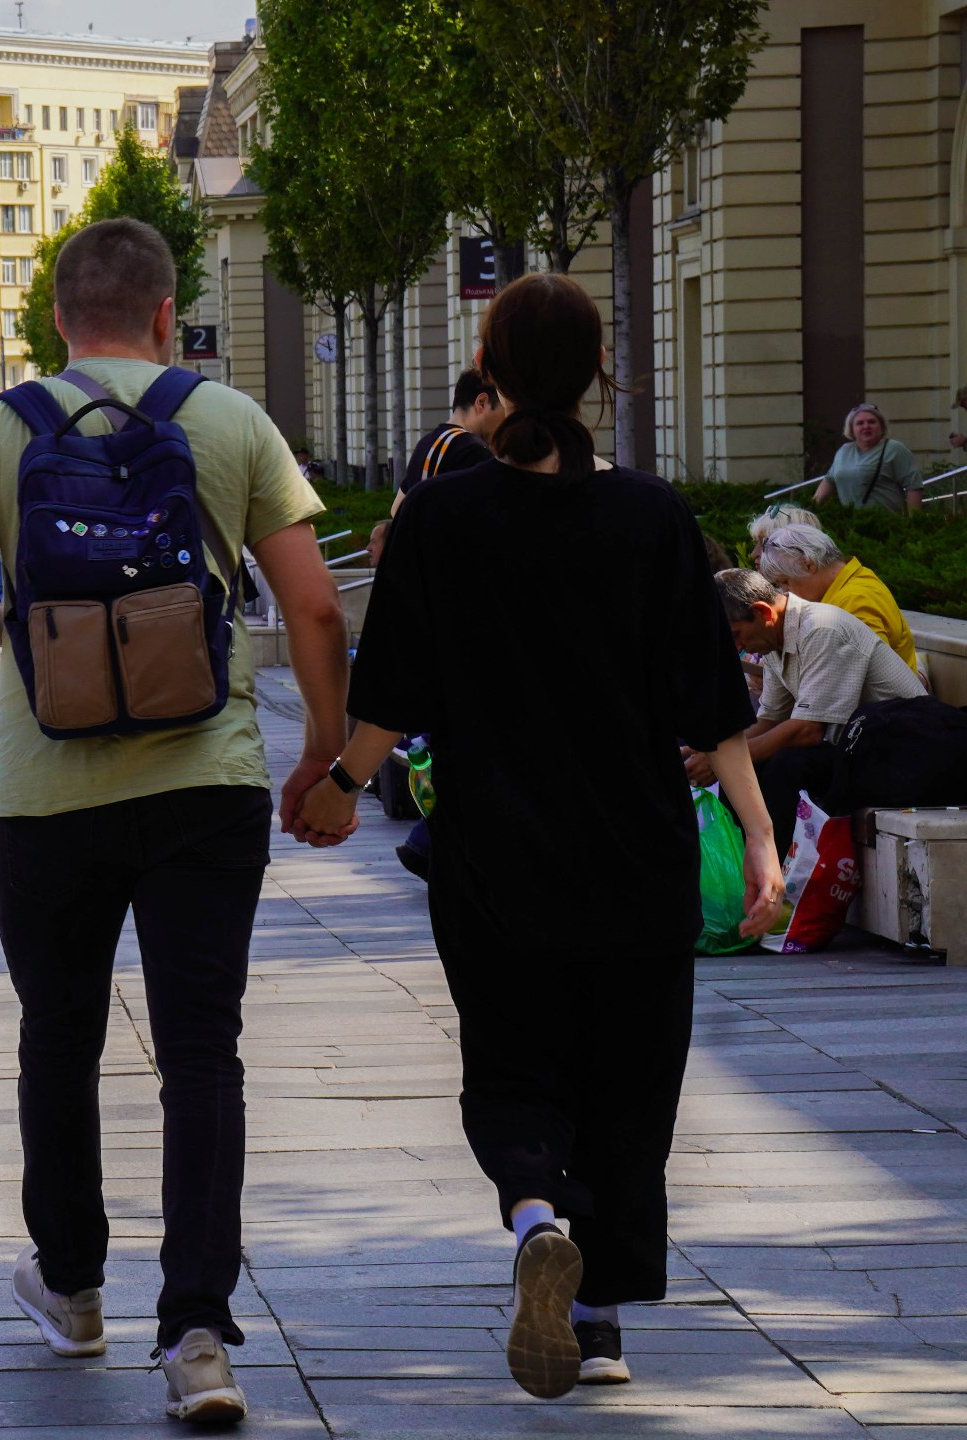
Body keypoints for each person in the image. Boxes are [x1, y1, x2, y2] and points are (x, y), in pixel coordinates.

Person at [300, 272, 786, 1402]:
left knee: (510, 1063)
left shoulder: (441, 519)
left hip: (494, 851)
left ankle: (532, 1220)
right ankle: (601, 1321)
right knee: (627, 1082)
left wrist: (336, 785)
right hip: (635, 853)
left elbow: (396, 686)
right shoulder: (655, 518)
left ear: (491, 372)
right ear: (597, 372)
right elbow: (712, 707)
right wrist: (760, 843)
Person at [0, 218, 354, 1426]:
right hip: (204, 783)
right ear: (168, 316)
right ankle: (198, 1334)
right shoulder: (230, 421)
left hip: (47, 787)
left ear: (59, 318)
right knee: (201, 1052)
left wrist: (31, 641)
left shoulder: (2, 428)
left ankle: (70, 1287)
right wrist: (323, 752)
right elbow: (312, 610)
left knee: (57, 1037)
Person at [694, 568, 925, 853]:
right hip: (857, 748)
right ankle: (749, 868)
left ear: (764, 612)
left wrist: (724, 762)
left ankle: (777, 874)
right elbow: (767, 722)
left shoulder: (821, 628)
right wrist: (712, 752)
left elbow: (808, 731)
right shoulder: (775, 638)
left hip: (904, 751)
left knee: (785, 766)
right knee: (745, 772)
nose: (737, 648)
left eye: (737, 635)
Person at [755, 523, 916, 670]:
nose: (785, 592)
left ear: (808, 564)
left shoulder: (854, 601)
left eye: (786, 581)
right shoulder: (858, 577)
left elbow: (870, 679)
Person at [401, 369, 501, 497]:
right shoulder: (474, 452)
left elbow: (396, 509)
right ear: (481, 402)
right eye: (503, 410)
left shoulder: (424, 444)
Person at [813, 402, 924, 513]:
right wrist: (810, 510)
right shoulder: (844, 451)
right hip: (852, 524)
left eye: (872, 422)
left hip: (888, 524)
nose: (866, 426)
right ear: (851, 429)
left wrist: (913, 522)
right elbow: (829, 479)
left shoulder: (894, 449)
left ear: (882, 426)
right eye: (860, 423)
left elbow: (913, 485)